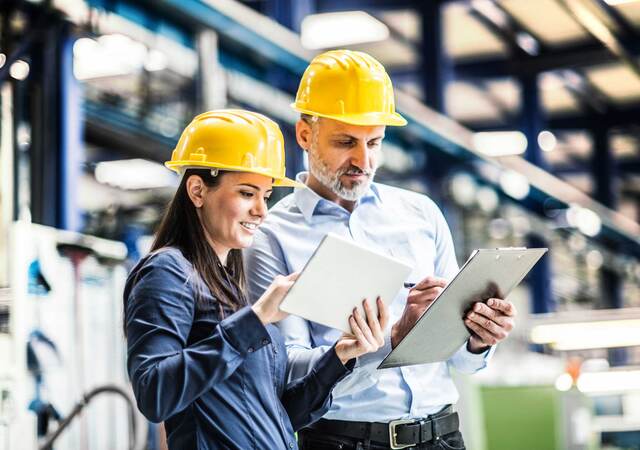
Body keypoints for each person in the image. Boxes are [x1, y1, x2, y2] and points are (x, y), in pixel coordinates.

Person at [245, 50, 517, 450]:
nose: (363, 159)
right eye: (345, 142)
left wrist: (479, 335)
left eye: (375, 142)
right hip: (345, 441)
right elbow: (289, 378)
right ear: (305, 134)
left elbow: (461, 360)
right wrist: (392, 338)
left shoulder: (421, 214)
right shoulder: (271, 236)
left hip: (442, 437)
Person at [124, 109, 389, 450]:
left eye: (265, 196)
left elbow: (276, 417)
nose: (262, 211)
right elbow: (154, 393)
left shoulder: (230, 288)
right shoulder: (167, 272)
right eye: (247, 194)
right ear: (197, 191)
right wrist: (258, 317)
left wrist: (339, 357)